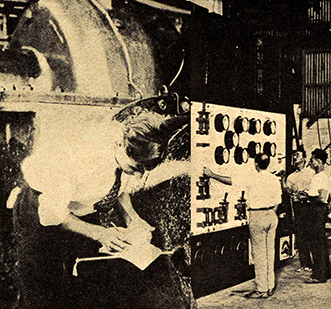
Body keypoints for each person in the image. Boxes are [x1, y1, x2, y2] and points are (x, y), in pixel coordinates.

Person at [13, 106, 194, 308]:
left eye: (144, 171)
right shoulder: (81, 158)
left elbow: (121, 187)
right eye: (136, 168)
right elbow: (53, 213)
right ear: (121, 146)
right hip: (41, 209)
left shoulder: (127, 148)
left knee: (85, 284)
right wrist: (100, 234)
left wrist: (132, 218)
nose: (138, 176)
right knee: (44, 291)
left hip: (78, 210)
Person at [203, 153, 282, 299]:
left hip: (257, 216)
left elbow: (230, 181)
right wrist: (269, 213)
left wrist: (211, 174)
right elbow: (278, 201)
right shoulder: (274, 179)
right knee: (270, 252)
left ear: (256, 164)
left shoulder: (253, 177)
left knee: (259, 254)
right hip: (272, 215)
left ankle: (261, 290)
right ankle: (270, 287)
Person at [304, 148, 331, 283]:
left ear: (319, 162)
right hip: (319, 210)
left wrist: (307, 197)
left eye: (312, 160)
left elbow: (322, 197)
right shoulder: (322, 176)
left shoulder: (319, 177)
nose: (310, 162)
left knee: (316, 243)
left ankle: (319, 275)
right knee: (321, 242)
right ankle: (325, 272)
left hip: (317, 210)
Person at [284, 148, 315, 273]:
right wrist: (282, 182)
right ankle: (305, 264)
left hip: (310, 206)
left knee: (312, 235)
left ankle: (316, 264)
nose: (295, 158)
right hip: (298, 208)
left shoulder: (311, 173)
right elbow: (288, 191)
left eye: (297, 155)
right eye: (294, 156)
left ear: (304, 158)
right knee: (301, 235)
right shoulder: (291, 177)